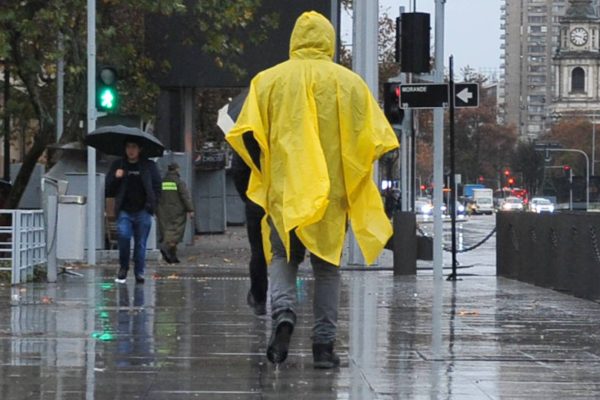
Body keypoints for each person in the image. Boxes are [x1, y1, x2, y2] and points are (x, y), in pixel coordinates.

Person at [226, 11, 399, 369]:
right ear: (329, 41)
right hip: (330, 198)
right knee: (327, 271)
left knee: (282, 258)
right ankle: (323, 347)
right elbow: (378, 139)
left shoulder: (267, 82)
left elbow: (244, 134)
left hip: (285, 193)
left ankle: (284, 314)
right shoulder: (350, 84)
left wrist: (264, 172)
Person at [106, 139, 162, 284]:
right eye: (128, 147)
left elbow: (157, 187)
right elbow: (109, 190)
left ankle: (139, 272)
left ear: (140, 149)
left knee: (140, 243)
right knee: (123, 237)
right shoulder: (118, 165)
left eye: (134, 147)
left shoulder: (149, 166)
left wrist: (152, 206)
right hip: (124, 210)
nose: (131, 150)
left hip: (143, 210)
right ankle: (123, 267)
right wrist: (116, 178)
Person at [231, 152, 268, 316]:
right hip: (283, 198)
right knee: (283, 253)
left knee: (258, 252)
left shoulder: (247, 131)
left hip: (256, 199)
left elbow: (238, 170)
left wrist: (248, 196)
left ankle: (260, 299)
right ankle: (285, 304)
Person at [157, 162, 194, 264]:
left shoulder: (162, 181)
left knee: (166, 231)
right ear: (177, 169)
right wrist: (190, 210)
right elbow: (185, 197)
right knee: (175, 233)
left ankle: (173, 257)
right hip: (177, 211)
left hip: (163, 210)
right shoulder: (179, 182)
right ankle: (165, 247)